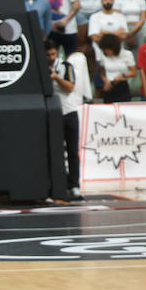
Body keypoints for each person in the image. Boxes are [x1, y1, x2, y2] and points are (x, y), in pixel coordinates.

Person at [47, 41, 90, 201]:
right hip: (53, 114)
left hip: (69, 111)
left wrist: (56, 77)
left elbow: (70, 87)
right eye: (48, 55)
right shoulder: (40, 67)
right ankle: (58, 185)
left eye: (53, 54)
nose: (51, 58)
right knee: (55, 152)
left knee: (72, 151)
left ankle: (75, 185)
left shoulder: (66, 66)